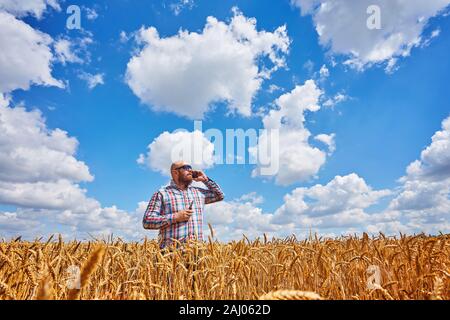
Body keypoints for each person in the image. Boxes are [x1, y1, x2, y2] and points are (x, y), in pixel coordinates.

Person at [142, 161, 224, 249]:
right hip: (170, 256)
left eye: (190, 168)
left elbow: (219, 195)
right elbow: (147, 221)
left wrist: (205, 180)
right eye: (186, 167)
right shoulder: (162, 194)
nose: (190, 170)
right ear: (175, 172)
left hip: (197, 253)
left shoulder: (198, 193)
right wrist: (175, 217)